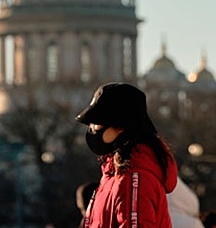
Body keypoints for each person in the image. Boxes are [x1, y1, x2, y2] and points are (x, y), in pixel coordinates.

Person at [75, 82, 178, 227]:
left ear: (121, 127)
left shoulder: (134, 180)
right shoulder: (114, 175)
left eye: (97, 124)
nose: (92, 130)